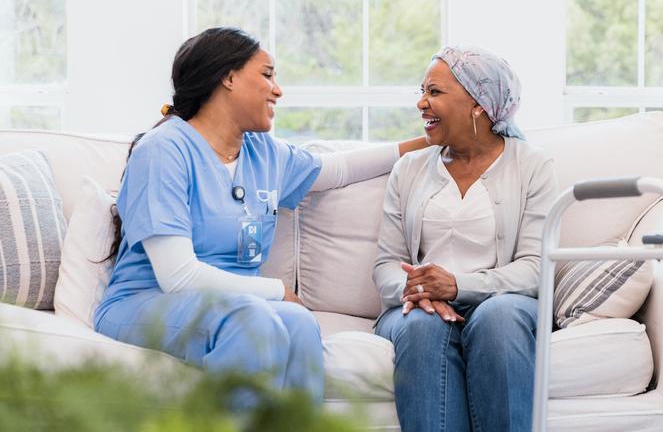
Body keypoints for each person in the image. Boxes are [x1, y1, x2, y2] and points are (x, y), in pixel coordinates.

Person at [93, 27, 429, 403]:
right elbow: (177, 276)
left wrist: (429, 141)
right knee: (252, 321)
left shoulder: (261, 153)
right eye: (267, 74)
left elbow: (338, 170)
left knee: (301, 323)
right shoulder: (164, 150)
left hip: (239, 305)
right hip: (146, 301)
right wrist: (277, 290)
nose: (278, 89)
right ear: (229, 77)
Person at [373, 45, 558, 432]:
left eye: (435, 92)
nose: (422, 103)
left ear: (478, 105)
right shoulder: (408, 170)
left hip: (502, 302)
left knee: (500, 318)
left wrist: (458, 286)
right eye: (421, 92)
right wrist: (416, 288)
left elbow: (536, 269)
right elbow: (386, 264)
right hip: (419, 307)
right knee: (423, 326)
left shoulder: (533, 167)